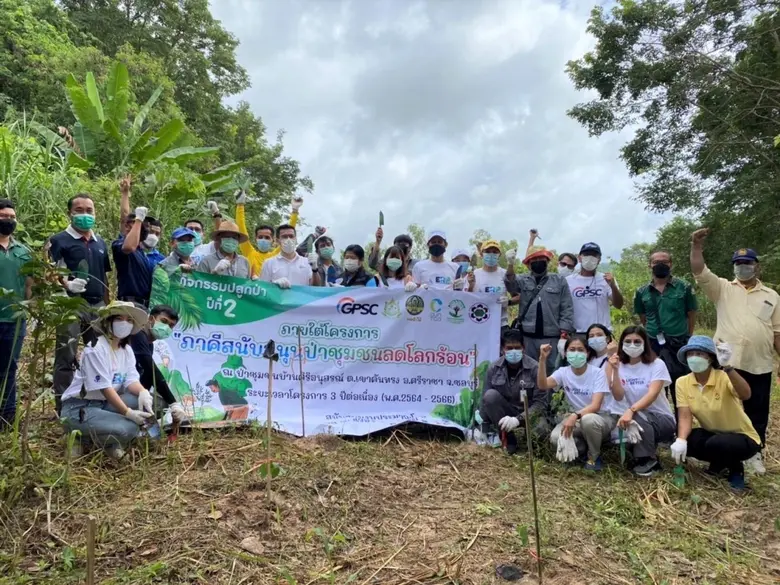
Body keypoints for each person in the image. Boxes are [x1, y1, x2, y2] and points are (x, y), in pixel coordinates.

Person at [690, 229, 780, 475]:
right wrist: (696, 246)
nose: (742, 267)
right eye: (738, 264)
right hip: (727, 361)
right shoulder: (722, 288)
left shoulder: (771, 296)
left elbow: (777, 333)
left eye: (747, 263)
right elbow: (699, 270)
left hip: (759, 362)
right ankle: (722, 452)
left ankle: (754, 453)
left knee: (757, 409)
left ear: (756, 267)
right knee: (723, 407)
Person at [60, 302, 154, 460]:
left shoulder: (126, 350)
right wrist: (128, 413)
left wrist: (143, 392)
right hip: (79, 408)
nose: (124, 323)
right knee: (129, 429)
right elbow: (105, 388)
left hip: (104, 404)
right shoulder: (95, 349)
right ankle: (79, 436)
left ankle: (108, 440)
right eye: (119, 318)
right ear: (108, 321)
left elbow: (131, 380)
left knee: (153, 402)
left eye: (129, 320)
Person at [671, 335, 761, 491]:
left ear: (711, 358)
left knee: (718, 443)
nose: (694, 358)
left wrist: (729, 368)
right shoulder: (682, 382)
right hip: (712, 433)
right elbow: (685, 415)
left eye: (699, 354)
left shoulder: (724, 377)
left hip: (743, 438)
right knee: (688, 439)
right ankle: (719, 463)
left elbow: (745, 394)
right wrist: (681, 440)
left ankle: (735, 469)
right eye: (690, 354)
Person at [49, 193, 112, 415]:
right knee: (66, 356)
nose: (85, 215)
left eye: (89, 210)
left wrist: (108, 308)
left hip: (97, 307)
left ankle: (97, 403)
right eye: (79, 210)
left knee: (99, 355)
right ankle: (64, 407)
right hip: (70, 306)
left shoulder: (100, 242)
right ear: (70, 213)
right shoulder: (59, 241)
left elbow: (104, 278)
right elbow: (49, 272)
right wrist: (66, 283)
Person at [537, 338, 621, 471]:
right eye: (572, 350)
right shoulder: (563, 372)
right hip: (576, 419)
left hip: (599, 418)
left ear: (587, 353)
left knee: (588, 420)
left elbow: (596, 406)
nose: (576, 353)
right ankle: (582, 449)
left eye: (580, 350)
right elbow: (543, 385)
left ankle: (594, 457)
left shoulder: (597, 373)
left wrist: (574, 415)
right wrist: (542, 359)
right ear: (565, 353)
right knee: (555, 438)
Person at [607, 326, 676, 476]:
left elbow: (652, 394)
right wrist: (614, 370)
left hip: (660, 419)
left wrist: (631, 411)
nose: (632, 345)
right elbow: (618, 396)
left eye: (637, 341)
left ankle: (647, 459)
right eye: (628, 341)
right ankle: (640, 452)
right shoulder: (619, 365)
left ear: (645, 344)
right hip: (631, 416)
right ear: (621, 344)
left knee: (636, 416)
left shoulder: (657, 364)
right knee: (625, 425)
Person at [633, 250, 697, 406]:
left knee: (680, 384)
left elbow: (691, 314)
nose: (660, 265)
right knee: (655, 384)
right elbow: (643, 318)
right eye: (656, 262)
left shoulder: (684, 287)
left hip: (679, 342)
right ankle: (662, 423)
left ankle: (680, 424)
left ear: (671, 264)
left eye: (665, 261)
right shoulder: (642, 292)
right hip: (653, 343)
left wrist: (687, 336)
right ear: (650, 265)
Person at [480, 330, 551, 454]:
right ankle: (507, 436)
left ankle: (532, 444)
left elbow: (541, 403)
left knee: (541, 431)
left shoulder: (535, 368)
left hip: (530, 412)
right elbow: (486, 399)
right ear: (503, 349)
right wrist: (483, 423)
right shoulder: (494, 368)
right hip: (506, 412)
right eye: (509, 348)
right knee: (490, 396)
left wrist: (519, 419)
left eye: (517, 348)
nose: (513, 351)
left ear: (523, 348)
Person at [505, 247, 574, 370]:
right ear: (529, 264)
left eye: (541, 258)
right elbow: (511, 285)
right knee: (528, 371)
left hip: (552, 337)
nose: (538, 261)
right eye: (534, 259)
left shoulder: (559, 281)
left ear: (547, 261)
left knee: (551, 371)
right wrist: (510, 265)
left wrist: (564, 334)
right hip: (527, 337)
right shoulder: (523, 279)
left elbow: (566, 308)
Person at [0, 199, 32, 429]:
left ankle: (7, 417)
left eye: (11, 217)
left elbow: (31, 284)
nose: (8, 220)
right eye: (3, 216)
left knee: (9, 369)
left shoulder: (23, 251)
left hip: (14, 320)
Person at [129, 305, 187, 422]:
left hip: (133, 388)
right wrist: (173, 402)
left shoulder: (149, 343)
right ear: (151, 319)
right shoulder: (137, 336)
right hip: (119, 389)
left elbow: (148, 376)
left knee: (160, 404)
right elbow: (151, 369)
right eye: (164, 321)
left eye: (171, 326)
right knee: (159, 405)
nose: (166, 327)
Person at [235, 190, 302, 277]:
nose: (263, 239)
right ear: (256, 238)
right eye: (260, 237)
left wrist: (295, 210)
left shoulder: (275, 255)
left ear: (273, 240)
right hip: (250, 289)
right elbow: (241, 228)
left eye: (267, 237)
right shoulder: (249, 251)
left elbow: (288, 232)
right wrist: (240, 205)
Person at [566, 242, 623, 334]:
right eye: (586, 254)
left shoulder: (607, 279)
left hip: (602, 332)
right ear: (579, 258)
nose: (590, 258)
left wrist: (613, 286)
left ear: (599, 259)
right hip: (578, 333)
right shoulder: (568, 281)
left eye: (594, 255)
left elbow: (618, 305)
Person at [113, 206, 165, 306]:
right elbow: (129, 247)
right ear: (128, 226)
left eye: (146, 225)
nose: (144, 228)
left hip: (148, 304)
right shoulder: (120, 244)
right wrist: (138, 219)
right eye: (141, 224)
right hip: (129, 303)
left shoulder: (142, 253)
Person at [469, 240, 509, 330]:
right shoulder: (474, 274)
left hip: (501, 325)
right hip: (478, 323)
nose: (491, 254)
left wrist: (508, 302)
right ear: (481, 254)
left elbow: (517, 296)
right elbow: (467, 299)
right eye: (487, 252)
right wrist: (470, 286)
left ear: (499, 255)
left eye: (495, 252)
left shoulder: (505, 274)